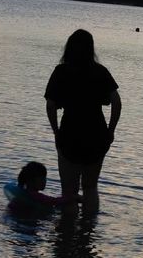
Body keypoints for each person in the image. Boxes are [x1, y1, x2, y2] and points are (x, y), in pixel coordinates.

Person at [45, 29, 121, 212]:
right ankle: (89, 229)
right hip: (96, 135)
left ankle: (68, 232)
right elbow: (117, 102)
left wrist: (56, 132)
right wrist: (111, 131)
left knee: (69, 191)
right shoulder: (100, 72)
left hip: (70, 134)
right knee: (90, 187)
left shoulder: (61, 72)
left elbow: (50, 105)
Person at [7, 161, 78, 211]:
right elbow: (54, 201)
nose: (45, 181)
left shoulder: (22, 193)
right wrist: (73, 197)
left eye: (45, 178)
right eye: (42, 179)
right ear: (31, 181)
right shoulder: (35, 195)